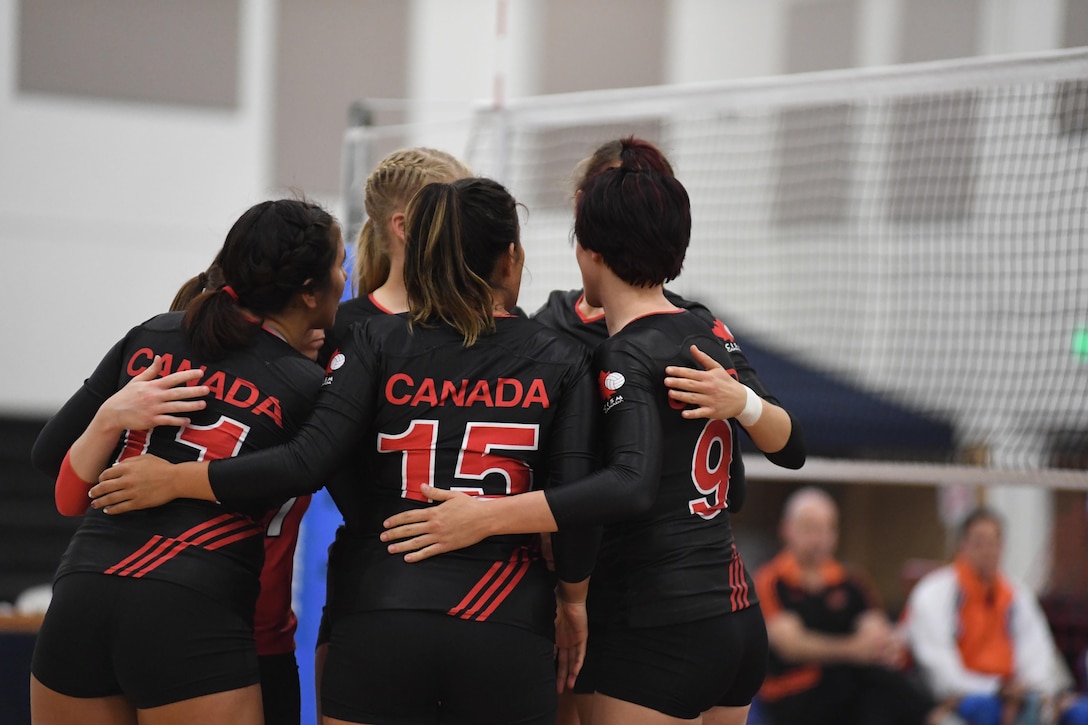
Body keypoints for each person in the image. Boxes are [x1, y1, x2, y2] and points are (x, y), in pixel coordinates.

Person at [88, 177, 600, 725]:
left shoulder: (371, 341)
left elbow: (312, 462)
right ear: (512, 256)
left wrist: (177, 478)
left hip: (382, 608)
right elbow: (577, 506)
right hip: (504, 615)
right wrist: (572, 599)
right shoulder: (563, 356)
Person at [380, 137, 806, 725]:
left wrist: (745, 404)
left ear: (591, 239)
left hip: (649, 612)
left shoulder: (637, 347)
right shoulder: (677, 329)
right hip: (719, 607)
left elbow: (634, 483)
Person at [29, 198, 346, 725]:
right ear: (309, 293)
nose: (345, 276)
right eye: (339, 264)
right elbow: (313, 472)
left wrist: (125, 434)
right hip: (192, 609)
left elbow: (52, 461)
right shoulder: (311, 388)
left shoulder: (154, 333)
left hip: (80, 594)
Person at [754, 486, 956, 725]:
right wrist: (853, 650)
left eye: (827, 529)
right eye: (810, 529)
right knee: (870, 680)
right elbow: (792, 645)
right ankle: (939, 717)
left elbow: (874, 628)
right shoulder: (770, 580)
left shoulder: (851, 580)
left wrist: (881, 645)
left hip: (850, 685)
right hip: (793, 691)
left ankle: (939, 717)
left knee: (880, 687)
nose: (819, 539)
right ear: (787, 529)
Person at [905, 506, 1088, 725]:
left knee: (1077, 714)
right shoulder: (935, 592)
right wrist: (996, 688)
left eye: (994, 542)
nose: (988, 551)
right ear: (962, 545)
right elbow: (941, 672)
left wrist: (1028, 690)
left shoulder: (1016, 595)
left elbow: (1038, 654)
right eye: (979, 542)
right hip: (965, 696)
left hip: (1018, 695)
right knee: (986, 710)